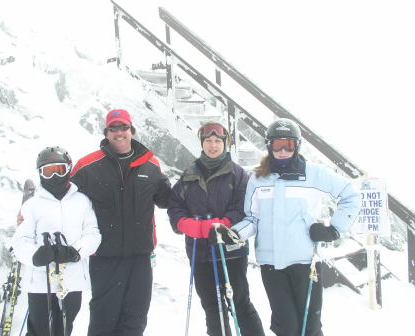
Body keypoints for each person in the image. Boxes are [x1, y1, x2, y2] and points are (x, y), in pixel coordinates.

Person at [224, 118, 361, 336]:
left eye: (287, 145)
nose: (282, 151)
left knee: (310, 328)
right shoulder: (258, 180)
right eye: (276, 144)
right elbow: (252, 219)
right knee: (286, 328)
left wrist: (333, 229)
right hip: (271, 266)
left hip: (306, 263)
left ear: (296, 145)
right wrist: (233, 235)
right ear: (268, 145)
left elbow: (351, 195)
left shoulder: (314, 174)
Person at [70, 108, 171, 336]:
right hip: (105, 258)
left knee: (135, 320)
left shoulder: (150, 164)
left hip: (141, 258)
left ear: (131, 131)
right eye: (113, 128)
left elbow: (167, 200)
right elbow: (60, 194)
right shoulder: (88, 166)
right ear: (106, 133)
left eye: (123, 127)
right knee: (103, 320)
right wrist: (29, 212)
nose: (119, 132)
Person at [167, 121, 265, 336]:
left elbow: (243, 207)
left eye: (217, 141)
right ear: (202, 144)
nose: (213, 145)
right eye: (208, 141)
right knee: (212, 307)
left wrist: (223, 225)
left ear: (225, 144)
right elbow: (175, 206)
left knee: (239, 303)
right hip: (200, 253)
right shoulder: (189, 175)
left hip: (230, 251)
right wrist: (187, 225)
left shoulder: (237, 175)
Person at [11, 146, 101, 336]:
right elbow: (20, 242)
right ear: (40, 174)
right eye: (48, 171)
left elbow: (93, 234)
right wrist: (35, 256)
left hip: (72, 280)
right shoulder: (33, 205)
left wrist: (76, 251)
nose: (54, 177)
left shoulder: (82, 201)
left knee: (64, 329)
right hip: (40, 283)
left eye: (58, 170)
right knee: (40, 330)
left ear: (68, 169)